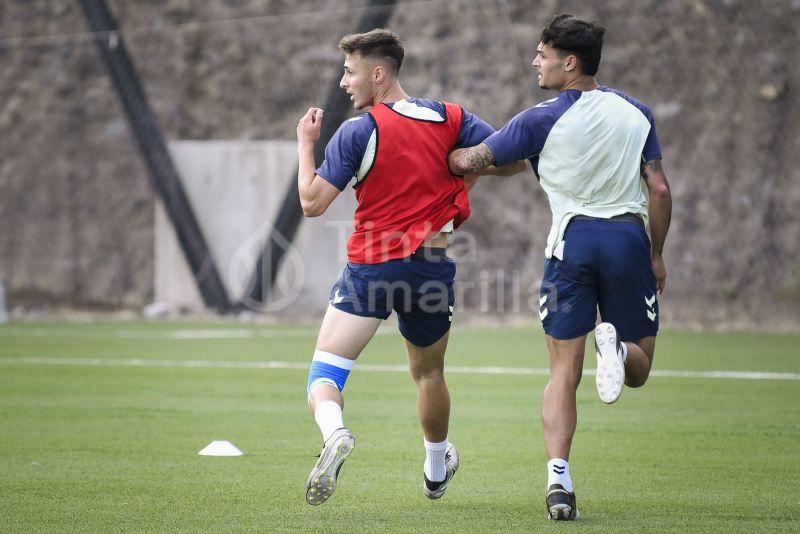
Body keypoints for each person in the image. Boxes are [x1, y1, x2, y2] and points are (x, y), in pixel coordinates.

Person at [448, 13, 672, 521]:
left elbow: (473, 161)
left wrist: (448, 150)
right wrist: (656, 253)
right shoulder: (637, 113)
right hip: (628, 242)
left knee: (562, 372)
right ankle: (616, 346)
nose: (535, 62)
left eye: (542, 54)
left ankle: (559, 483)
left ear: (569, 63)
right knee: (638, 370)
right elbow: (658, 189)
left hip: (572, 245)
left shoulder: (539, 119)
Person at [296, 28, 525, 506]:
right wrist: (466, 162)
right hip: (431, 268)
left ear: (378, 74)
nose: (343, 82)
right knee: (429, 375)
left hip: (372, 266)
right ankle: (436, 470)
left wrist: (305, 144)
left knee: (325, 374)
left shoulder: (358, 130)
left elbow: (312, 203)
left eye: (350, 72)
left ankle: (335, 434)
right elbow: (512, 159)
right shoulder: (451, 117)